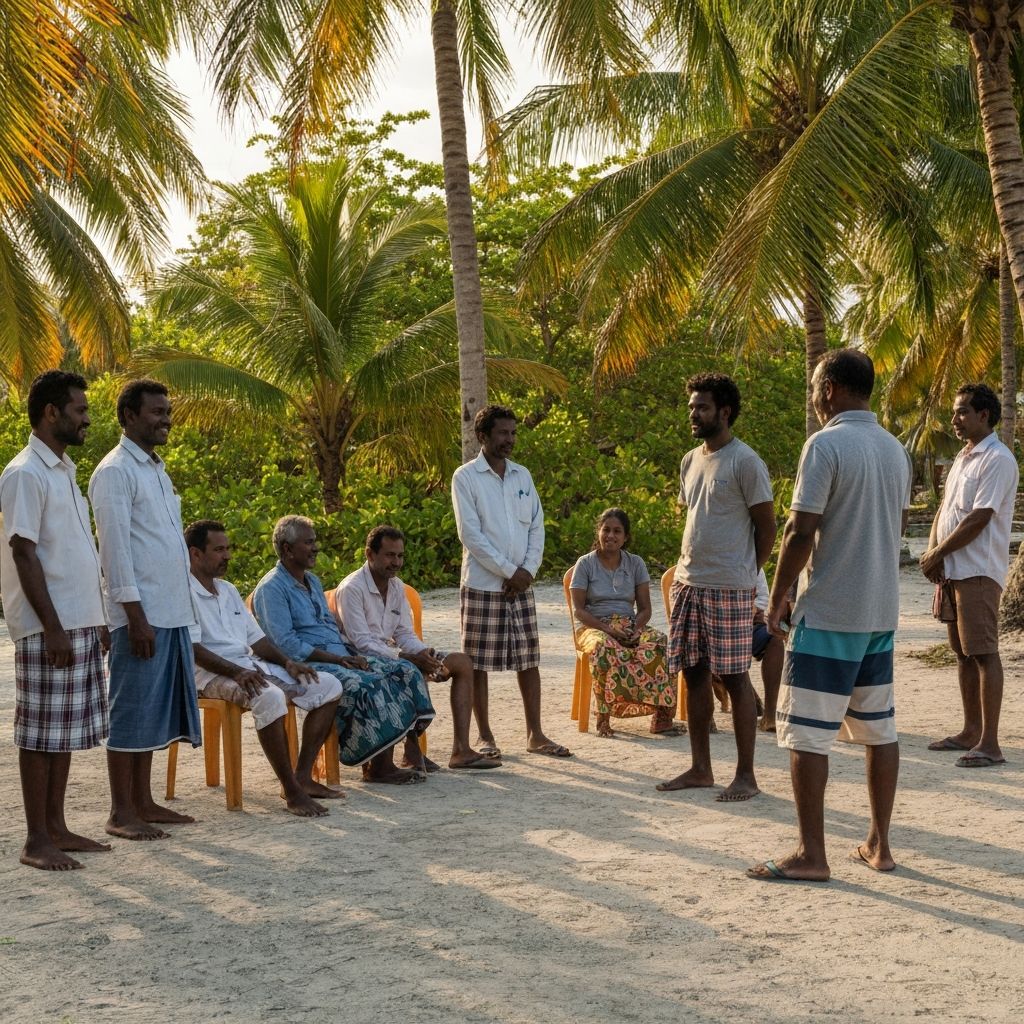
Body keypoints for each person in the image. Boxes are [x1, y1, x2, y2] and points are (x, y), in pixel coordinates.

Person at [748, 349, 912, 883]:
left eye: (817, 388)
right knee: (878, 728)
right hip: (880, 611)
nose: (815, 398)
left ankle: (811, 854)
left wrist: (777, 598)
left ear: (832, 390)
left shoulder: (826, 444)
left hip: (831, 612)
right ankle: (879, 844)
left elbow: (800, 528)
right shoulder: (894, 449)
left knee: (806, 735)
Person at [0, 371, 111, 870]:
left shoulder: (62, 470)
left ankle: (58, 828)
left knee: (62, 731)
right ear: (52, 412)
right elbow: (23, 551)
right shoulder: (24, 472)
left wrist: (98, 616)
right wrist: (52, 626)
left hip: (79, 620)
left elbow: (74, 550)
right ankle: (35, 840)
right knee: (40, 732)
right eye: (81, 410)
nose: (87, 418)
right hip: (51, 625)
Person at [89, 379, 201, 841]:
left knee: (154, 713)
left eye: (167, 410)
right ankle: (121, 812)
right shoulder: (115, 472)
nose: (166, 419)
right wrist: (134, 617)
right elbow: (115, 552)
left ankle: (145, 801)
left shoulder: (155, 468)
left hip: (171, 611)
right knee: (131, 712)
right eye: (156, 411)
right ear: (129, 416)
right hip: (142, 614)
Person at [657, 373, 775, 802]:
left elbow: (767, 528)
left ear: (724, 412)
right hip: (688, 583)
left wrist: (746, 573)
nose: (693, 413)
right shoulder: (690, 460)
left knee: (735, 676)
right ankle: (700, 768)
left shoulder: (746, 462)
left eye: (701, 407)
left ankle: (746, 775)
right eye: (691, 406)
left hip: (730, 589)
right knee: (694, 673)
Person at [251, 515, 435, 785]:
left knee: (403, 670)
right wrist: (338, 658)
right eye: (308, 543)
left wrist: (350, 655)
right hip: (305, 663)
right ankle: (377, 767)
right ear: (288, 549)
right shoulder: (271, 589)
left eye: (315, 542)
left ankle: (397, 757)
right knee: (368, 684)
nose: (315, 548)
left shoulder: (311, 581)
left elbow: (329, 626)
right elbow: (286, 644)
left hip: (338, 655)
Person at [186, 520, 345, 816]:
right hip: (209, 675)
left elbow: (256, 639)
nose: (227, 556)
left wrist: (288, 663)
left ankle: (301, 776)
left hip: (251, 665)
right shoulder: (184, 593)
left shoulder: (229, 590)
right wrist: (236, 672)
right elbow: (194, 650)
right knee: (269, 696)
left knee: (329, 685)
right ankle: (292, 791)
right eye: (219, 550)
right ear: (195, 554)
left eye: (228, 549)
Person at [451, 404, 571, 759]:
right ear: (482, 437)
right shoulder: (465, 478)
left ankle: (536, 733)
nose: (510, 440)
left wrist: (528, 572)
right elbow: (470, 534)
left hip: (521, 585)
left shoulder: (523, 476)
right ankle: (486, 737)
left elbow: (537, 525)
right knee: (478, 664)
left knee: (528, 659)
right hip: (483, 586)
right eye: (503, 433)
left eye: (513, 433)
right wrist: (510, 572)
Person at [336, 525, 499, 770]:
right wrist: (409, 658)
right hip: (362, 660)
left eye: (400, 556)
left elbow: (404, 633)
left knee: (462, 662)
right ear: (369, 554)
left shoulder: (396, 586)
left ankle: (461, 751)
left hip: (397, 655)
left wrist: (425, 654)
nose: (396, 562)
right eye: (390, 555)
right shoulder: (351, 589)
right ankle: (411, 753)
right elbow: (362, 643)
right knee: (408, 669)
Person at [920, 384, 1019, 768]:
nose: (955, 419)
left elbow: (980, 516)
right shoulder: (964, 458)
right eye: (955, 411)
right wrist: (933, 554)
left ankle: (990, 743)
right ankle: (969, 730)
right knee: (962, 654)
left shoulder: (997, 458)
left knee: (983, 653)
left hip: (977, 569)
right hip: (952, 570)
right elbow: (947, 509)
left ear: (984, 415)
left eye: (962, 412)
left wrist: (939, 553)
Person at [569, 508, 676, 738]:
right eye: (606, 530)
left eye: (617, 531)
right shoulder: (585, 564)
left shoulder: (635, 564)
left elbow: (645, 608)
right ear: (598, 532)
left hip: (629, 625)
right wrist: (608, 629)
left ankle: (662, 718)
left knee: (658, 642)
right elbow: (578, 610)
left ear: (626, 537)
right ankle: (603, 718)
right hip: (594, 627)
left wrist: (634, 628)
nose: (611, 535)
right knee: (604, 647)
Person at [753, 568, 786, 732]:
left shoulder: (751, 558)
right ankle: (748, 696)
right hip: (714, 625)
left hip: (745, 622)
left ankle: (770, 714)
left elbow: (763, 599)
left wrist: (749, 611)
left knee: (775, 639)